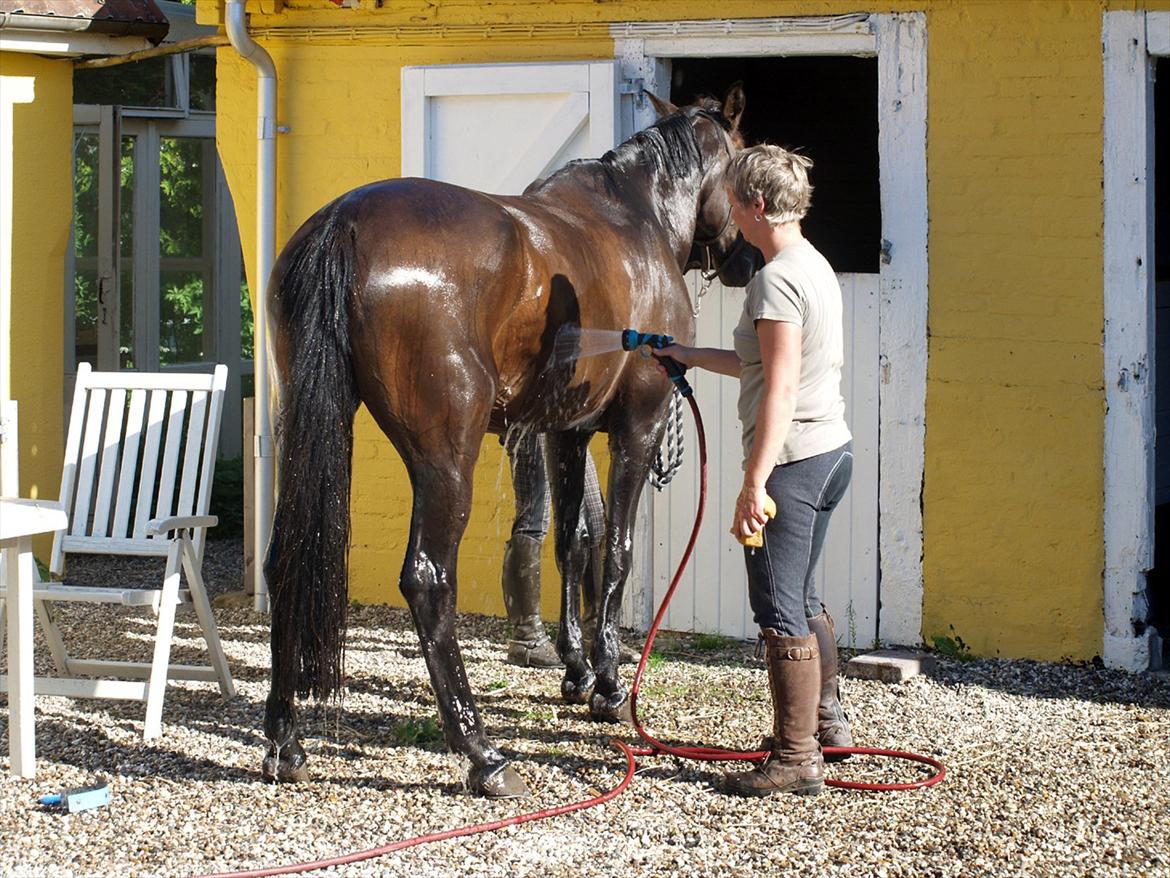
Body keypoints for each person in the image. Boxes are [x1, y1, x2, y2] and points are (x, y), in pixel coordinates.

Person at [654, 144, 853, 797]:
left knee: (776, 604)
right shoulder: (810, 265)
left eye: (734, 203)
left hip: (793, 462)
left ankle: (796, 760)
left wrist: (753, 482)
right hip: (830, 453)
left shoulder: (774, 281)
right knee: (801, 594)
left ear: (757, 206)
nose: (729, 215)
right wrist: (684, 353)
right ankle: (828, 723)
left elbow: (781, 390)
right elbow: (760, 365)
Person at [501, 432, 637, 667]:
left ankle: (594, 625)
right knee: (533, 515)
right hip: (530, 418)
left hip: (568, 425)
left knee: (594, 517)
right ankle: (526, 638)